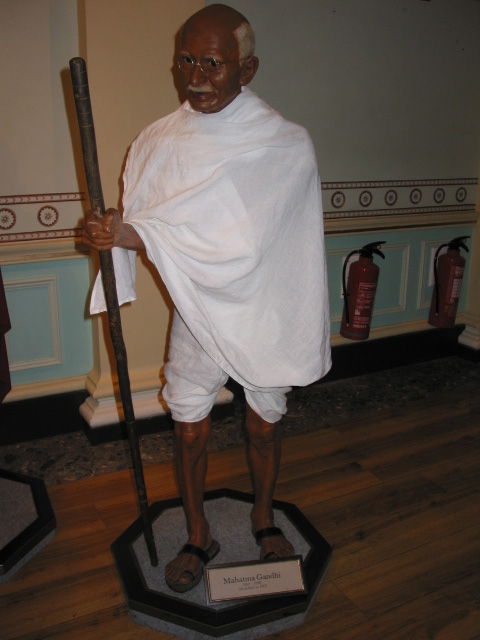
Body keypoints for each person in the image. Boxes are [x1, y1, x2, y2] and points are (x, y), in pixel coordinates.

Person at [82, 3, 331, 593]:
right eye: (186, 61)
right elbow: (152, 222)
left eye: (213, 64)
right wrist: (115, 230)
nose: (195, 77)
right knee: (189, 426)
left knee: (263, 424)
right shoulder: (157, 142)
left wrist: (139, 233)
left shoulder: (285, 144)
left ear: (248, 69)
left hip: (263, 306)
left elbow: (253, 238)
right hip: (198, 311)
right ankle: (198, 532)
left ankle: (263, 516)